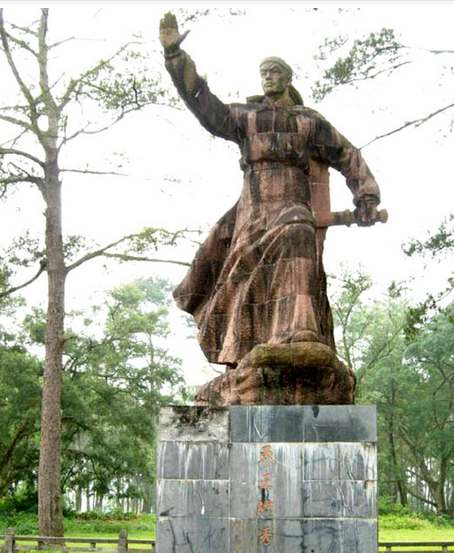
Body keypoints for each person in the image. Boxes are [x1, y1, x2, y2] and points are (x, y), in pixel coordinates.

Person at [159, 13, 381, 368]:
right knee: (245, 277)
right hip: (254, 209)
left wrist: (366, 196)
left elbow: (347, 154)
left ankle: (301, 332)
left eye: (274, 72)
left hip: (293, 200)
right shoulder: (247, 117)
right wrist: (175, 56)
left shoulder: (307, 121)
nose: (268, 77)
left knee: (298, 236)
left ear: (288, 78)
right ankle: (247, 357)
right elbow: (204, 104)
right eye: (264, 72)